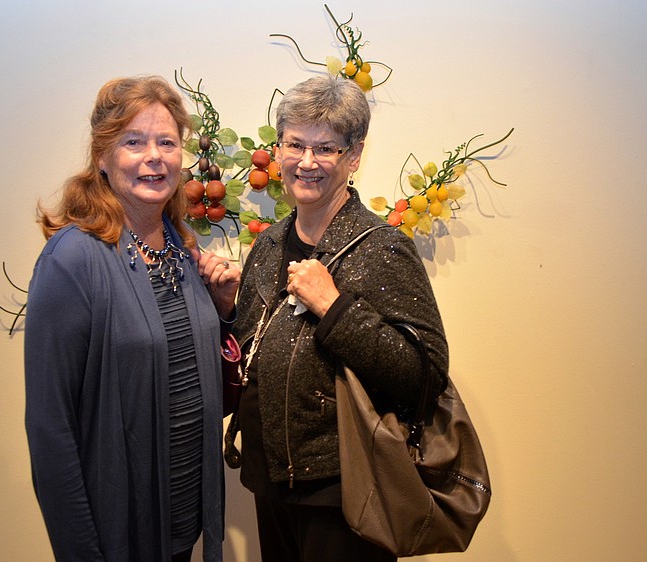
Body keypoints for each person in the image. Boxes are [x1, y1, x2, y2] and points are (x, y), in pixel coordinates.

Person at [223, 74, 450, 562]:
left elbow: (424, 376)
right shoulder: (268, 244)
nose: (306, 162)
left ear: (353, 157)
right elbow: (254, 355)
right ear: (278, 148)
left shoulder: (382, 247)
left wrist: (335, 307)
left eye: (325, 148)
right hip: (271, 481)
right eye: (295, 144)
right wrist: (226, 309)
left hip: (345, 487)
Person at [24, 75, 239, 562]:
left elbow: (195, 380)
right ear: (102, 157)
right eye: (133, 142)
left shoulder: (182, 251)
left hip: (183, 519)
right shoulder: (73, 259)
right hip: (118, 531)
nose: (154, 156)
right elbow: (50, 429)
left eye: (167, 142)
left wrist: (222, 313)